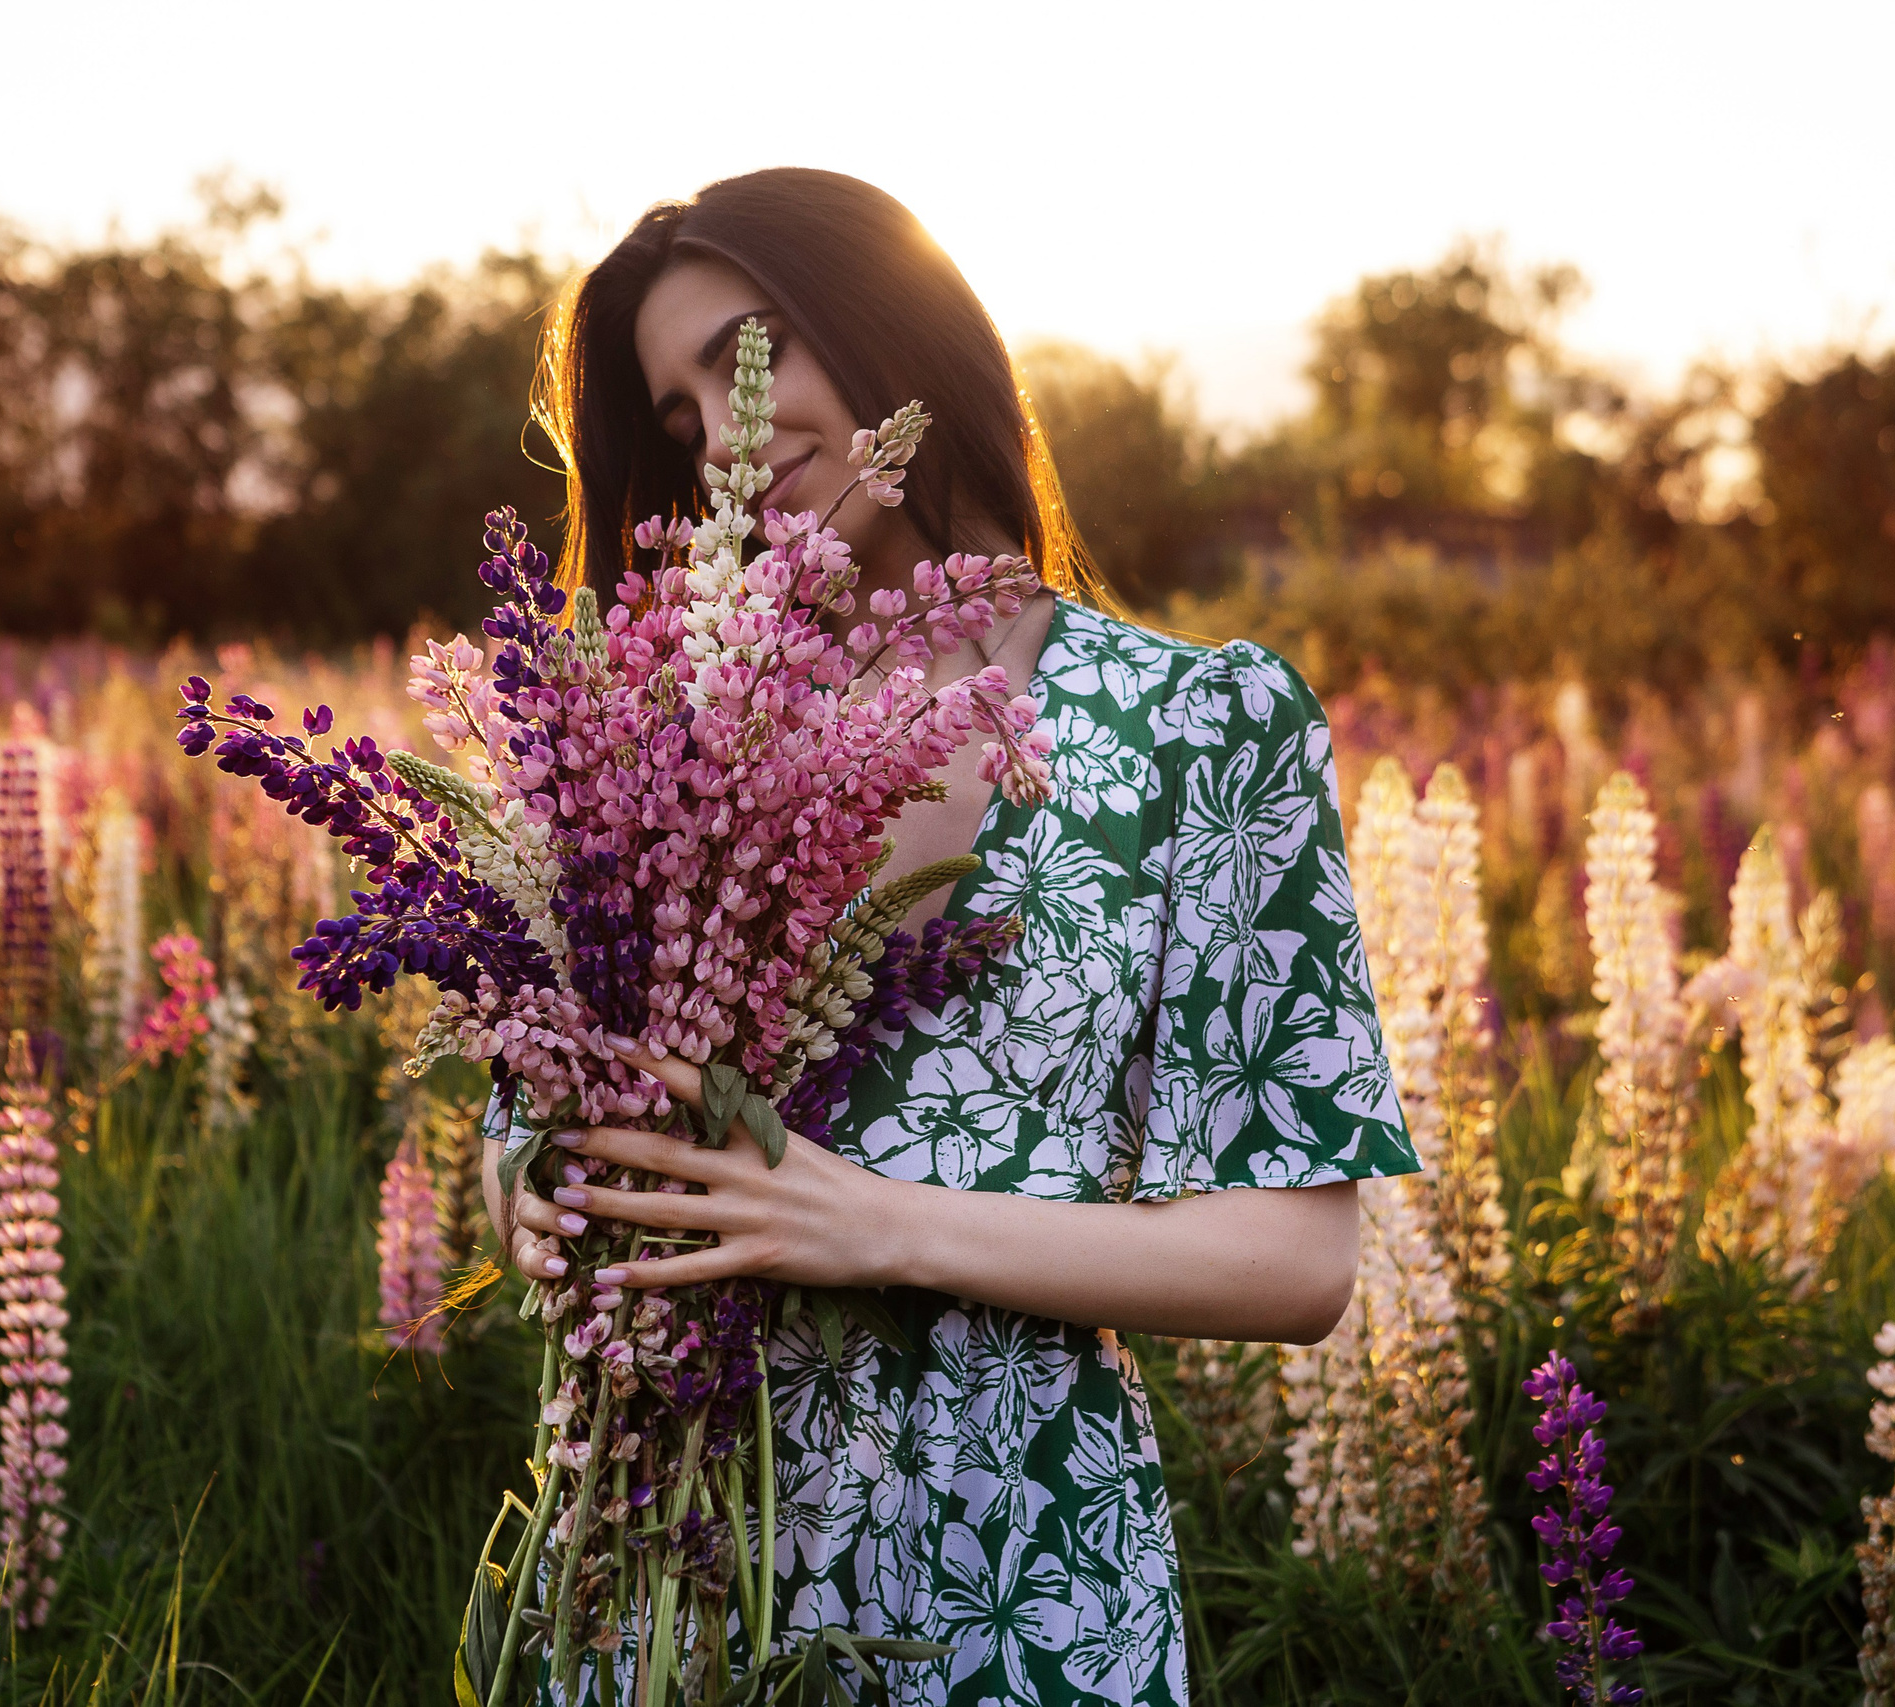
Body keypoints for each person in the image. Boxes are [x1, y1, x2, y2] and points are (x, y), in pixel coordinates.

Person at [483, 167, 1417, 1707]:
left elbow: (1293, 1258)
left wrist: (878, 1224)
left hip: (1016, 1581)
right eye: (674, 412)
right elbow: (531, 1102)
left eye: (750, 351)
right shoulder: (663, 727)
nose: (723, 426)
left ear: (892, 315)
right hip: (667, 1567)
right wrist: (536, 1194)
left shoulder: (1199, 728)